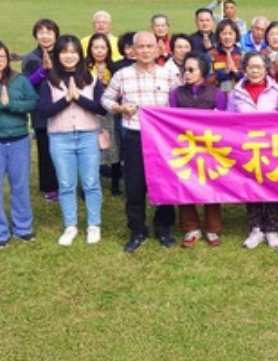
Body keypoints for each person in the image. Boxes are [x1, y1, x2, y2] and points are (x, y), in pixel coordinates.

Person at [101, 31, 180, 253]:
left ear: (158, 49)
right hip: (134, 135)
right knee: (134, 185)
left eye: (149, 46)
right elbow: (106, 98)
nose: (145, 51)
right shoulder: (122, 75)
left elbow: (178, 102)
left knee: (163, 183)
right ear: (133, 50)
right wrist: (119, 108)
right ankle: (137, 229)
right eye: (140, 47)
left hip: (162, 138)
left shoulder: (168, 75)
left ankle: (163, 227)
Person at [38, 35, 106, 246]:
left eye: (73, 52)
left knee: (91, 182)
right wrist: (67, 99)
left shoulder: (90, 78)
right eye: (64, 52)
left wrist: (78, 98)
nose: (69, 56)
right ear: (58, 55)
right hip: (60, 137)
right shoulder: (50, 80)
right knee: (66, 184)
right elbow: (44, 111)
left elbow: (101, 108)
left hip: (88, 135)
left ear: (80, 54)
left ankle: (93, 224)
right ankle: (71, 225)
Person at [227, 51, 278, 249]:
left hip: (271, 148)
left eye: (259, 67)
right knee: (250, 186)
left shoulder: (277, 91)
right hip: (246, 148)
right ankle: (256, 228)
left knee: (272, 186)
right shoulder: (236, 93)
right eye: (251, 67)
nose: (255, 71)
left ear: (266, 69)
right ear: (244, 69)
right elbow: (228, 120)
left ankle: (272, 229)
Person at [170, 53, 227, 247]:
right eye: (184, 70)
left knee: (211, 184)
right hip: (184, 147)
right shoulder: (176, 93)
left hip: (209, 147)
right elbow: (171, 120)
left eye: (191, 70)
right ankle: (191, 227)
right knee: (185, 183)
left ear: (202, 71)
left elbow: (223, 121)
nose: (186, 73)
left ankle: (213, 228)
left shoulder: (216, 93)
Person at [0, 40, 38, 249]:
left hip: (19, 140)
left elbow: (33, 102)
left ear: (8, 58)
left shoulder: (19, 80)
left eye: (1, 56)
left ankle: (23, 228)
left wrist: (12, 105)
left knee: (20, 186)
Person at [20, 18, 60, 202]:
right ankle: (50, 187)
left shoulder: (63, 54)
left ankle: (66, 183)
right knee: (45, 150)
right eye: (41, 33)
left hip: (62, 108)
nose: (45, 36)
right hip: (41, 111)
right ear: (35, 36)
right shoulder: (30, 58)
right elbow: (25, 85)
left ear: (56, 35)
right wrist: (42, 71)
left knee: (63, 148)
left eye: (49, 32)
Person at [86, 33, 122, 196]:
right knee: (91, 147)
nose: (99, 51)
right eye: (96, 47)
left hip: (110, 112)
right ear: (90, 49)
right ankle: (90, 183)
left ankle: (115, 184)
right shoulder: (84, 67)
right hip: (89, 111)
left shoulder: (114, 68)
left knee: (113, 145)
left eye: (103, 47)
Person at [208, 19, 244, 94]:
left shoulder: (243, 55)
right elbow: (208, 79)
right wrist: (225, 72)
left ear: (236, 35)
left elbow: (249, 78)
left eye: (230, 34)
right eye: (224, 34)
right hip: (217, 95)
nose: (227, 37)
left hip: (240, 95)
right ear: (218, 36)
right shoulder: (211, 55)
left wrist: (235, 71)